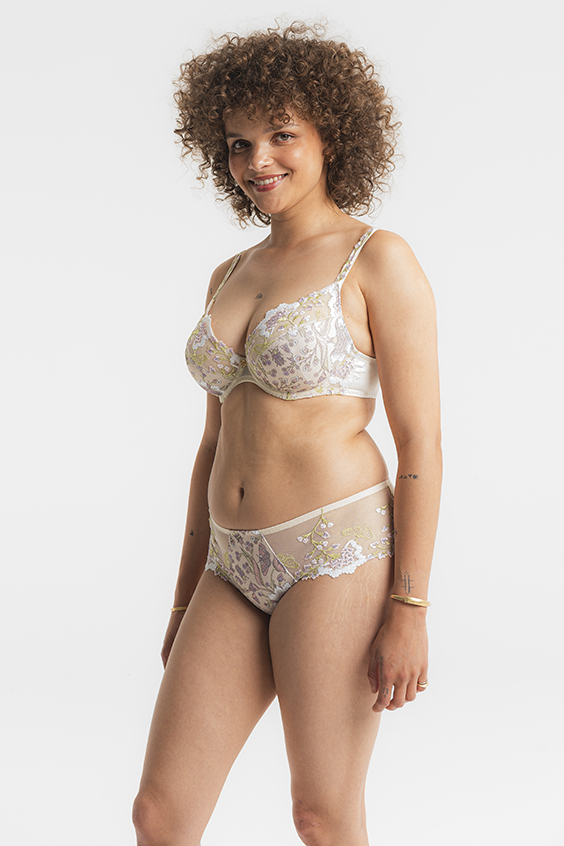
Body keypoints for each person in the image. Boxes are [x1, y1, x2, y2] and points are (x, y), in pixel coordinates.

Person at [133, 22, 441, 846]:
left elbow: (421, 443)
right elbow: (211, 445)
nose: (257, 161)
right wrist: (183, 596)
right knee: (159, 815)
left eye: (281, 135)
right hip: (229, 564)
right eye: (238, 144)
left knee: (321, 815)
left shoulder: (377, 259)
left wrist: (410, 606)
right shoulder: (229, 274)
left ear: (330, 133)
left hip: (335, 553)